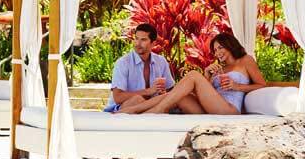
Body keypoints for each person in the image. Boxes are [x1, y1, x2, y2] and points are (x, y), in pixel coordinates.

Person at [119, 32, 267, 115]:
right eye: (215, 50)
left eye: (220, 48)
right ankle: (134, 110)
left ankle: (158, 110)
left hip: (228, 108)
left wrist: (237, 86)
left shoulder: (245, 60)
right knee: (178, 94)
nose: (218, 53)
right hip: (211, 107)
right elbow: (208, 94)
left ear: (230, 45)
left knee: (193, 76)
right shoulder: (220, 68)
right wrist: (208, 76)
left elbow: (262, 85)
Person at [103, 23, 175, 113]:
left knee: (178, 99)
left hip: (151, 105)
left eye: (143, 40)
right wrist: (148, 91)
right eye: (136, 39)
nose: (138, 43)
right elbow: (118, 97)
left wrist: (162, 92)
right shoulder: (123, 63)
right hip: (122, 108)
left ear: (153, 43)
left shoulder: (161, 61)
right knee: (137, 100)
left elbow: (171, 91)